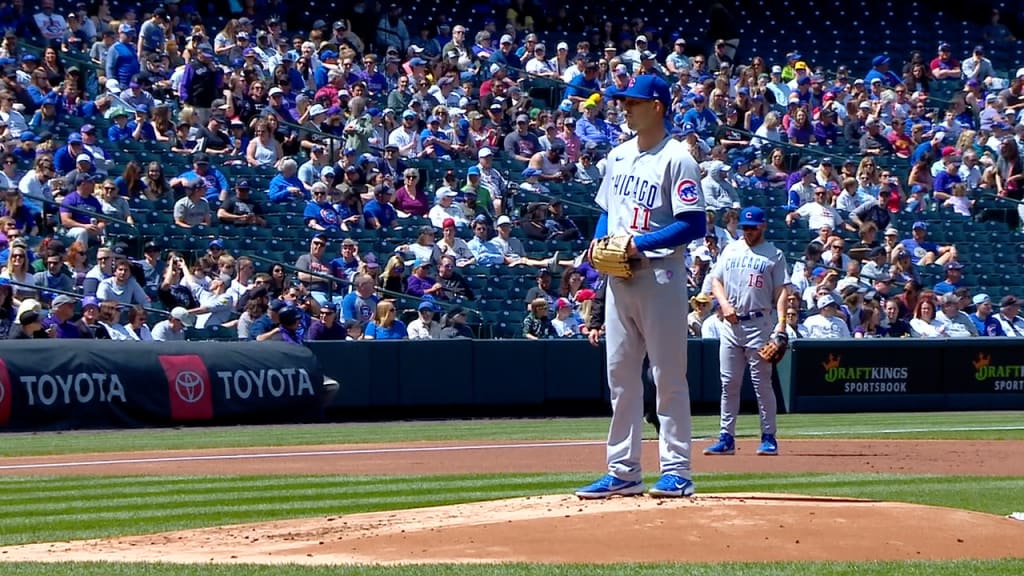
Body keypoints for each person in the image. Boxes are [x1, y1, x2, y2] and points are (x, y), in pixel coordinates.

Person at [575, 75, 707, 500]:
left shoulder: (677, 158)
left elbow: (693, 224)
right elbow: (606, 213)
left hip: (661, 276)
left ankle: (677, 470)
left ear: (658, 106)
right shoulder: (616, 157)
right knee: (620, 376)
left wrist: (638, 244)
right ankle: (622, 470)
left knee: (667, 375)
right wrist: (600, 244)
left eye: (633, 102)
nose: (625, 108)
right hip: (620, 279)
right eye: (624, 102)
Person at [705, 206, 789, 457]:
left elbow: (782, 291)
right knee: (728, 383)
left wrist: (781, 325)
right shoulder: (731, 249)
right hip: (731, 325)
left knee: (761, 384)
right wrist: (724, 303)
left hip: (759, 322)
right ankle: (726, 437)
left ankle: (768, 437)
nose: (748, 231)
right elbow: (715, 281)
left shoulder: (774, 254)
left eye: (752, 227)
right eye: (745, 227)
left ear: (763, 226)